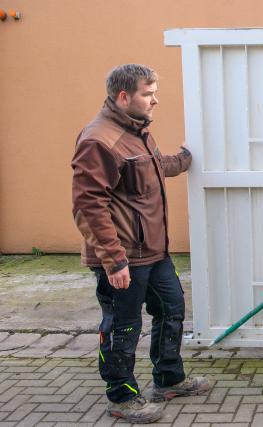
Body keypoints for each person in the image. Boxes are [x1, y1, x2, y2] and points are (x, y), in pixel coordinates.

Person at [71, 64, 209, 423]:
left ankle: (168, 379)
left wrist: (183, 161)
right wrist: (113, 260)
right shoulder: (98, 139)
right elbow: (88, 205)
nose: (155, 99)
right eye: (148, 94)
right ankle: (121, 396)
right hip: (123, 257)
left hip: (153, 253)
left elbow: (150, 167)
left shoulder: (137, 133)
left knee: (172, 308)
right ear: (123, 96)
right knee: (123, 326)